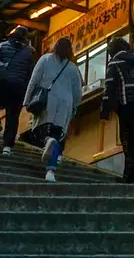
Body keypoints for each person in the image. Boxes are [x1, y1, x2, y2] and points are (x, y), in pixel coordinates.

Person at [23, 37, 82, 182]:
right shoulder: (73, 68)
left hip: (47, 100)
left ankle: (47, 141)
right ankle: (50, 172)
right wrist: (74, 107)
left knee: (39, 131)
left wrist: (26, 100)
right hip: (65, 104)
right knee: (57, 137)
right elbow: (78, 92)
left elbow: (33, 80)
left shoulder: (45, 59)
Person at [100, 37, 134, 183]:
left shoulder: (115, 63)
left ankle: (131, 173)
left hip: (127, 105)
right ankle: (133, 173)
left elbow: (109, 88)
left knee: (126, 139)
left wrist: (105, 111)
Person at [0, 26, 35, 155]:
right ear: (25, 38)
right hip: (18, 87)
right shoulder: (30, 52)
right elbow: (31, 73)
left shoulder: (4, 46)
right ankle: (7, 147)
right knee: (13, 117)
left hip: (2, 83)